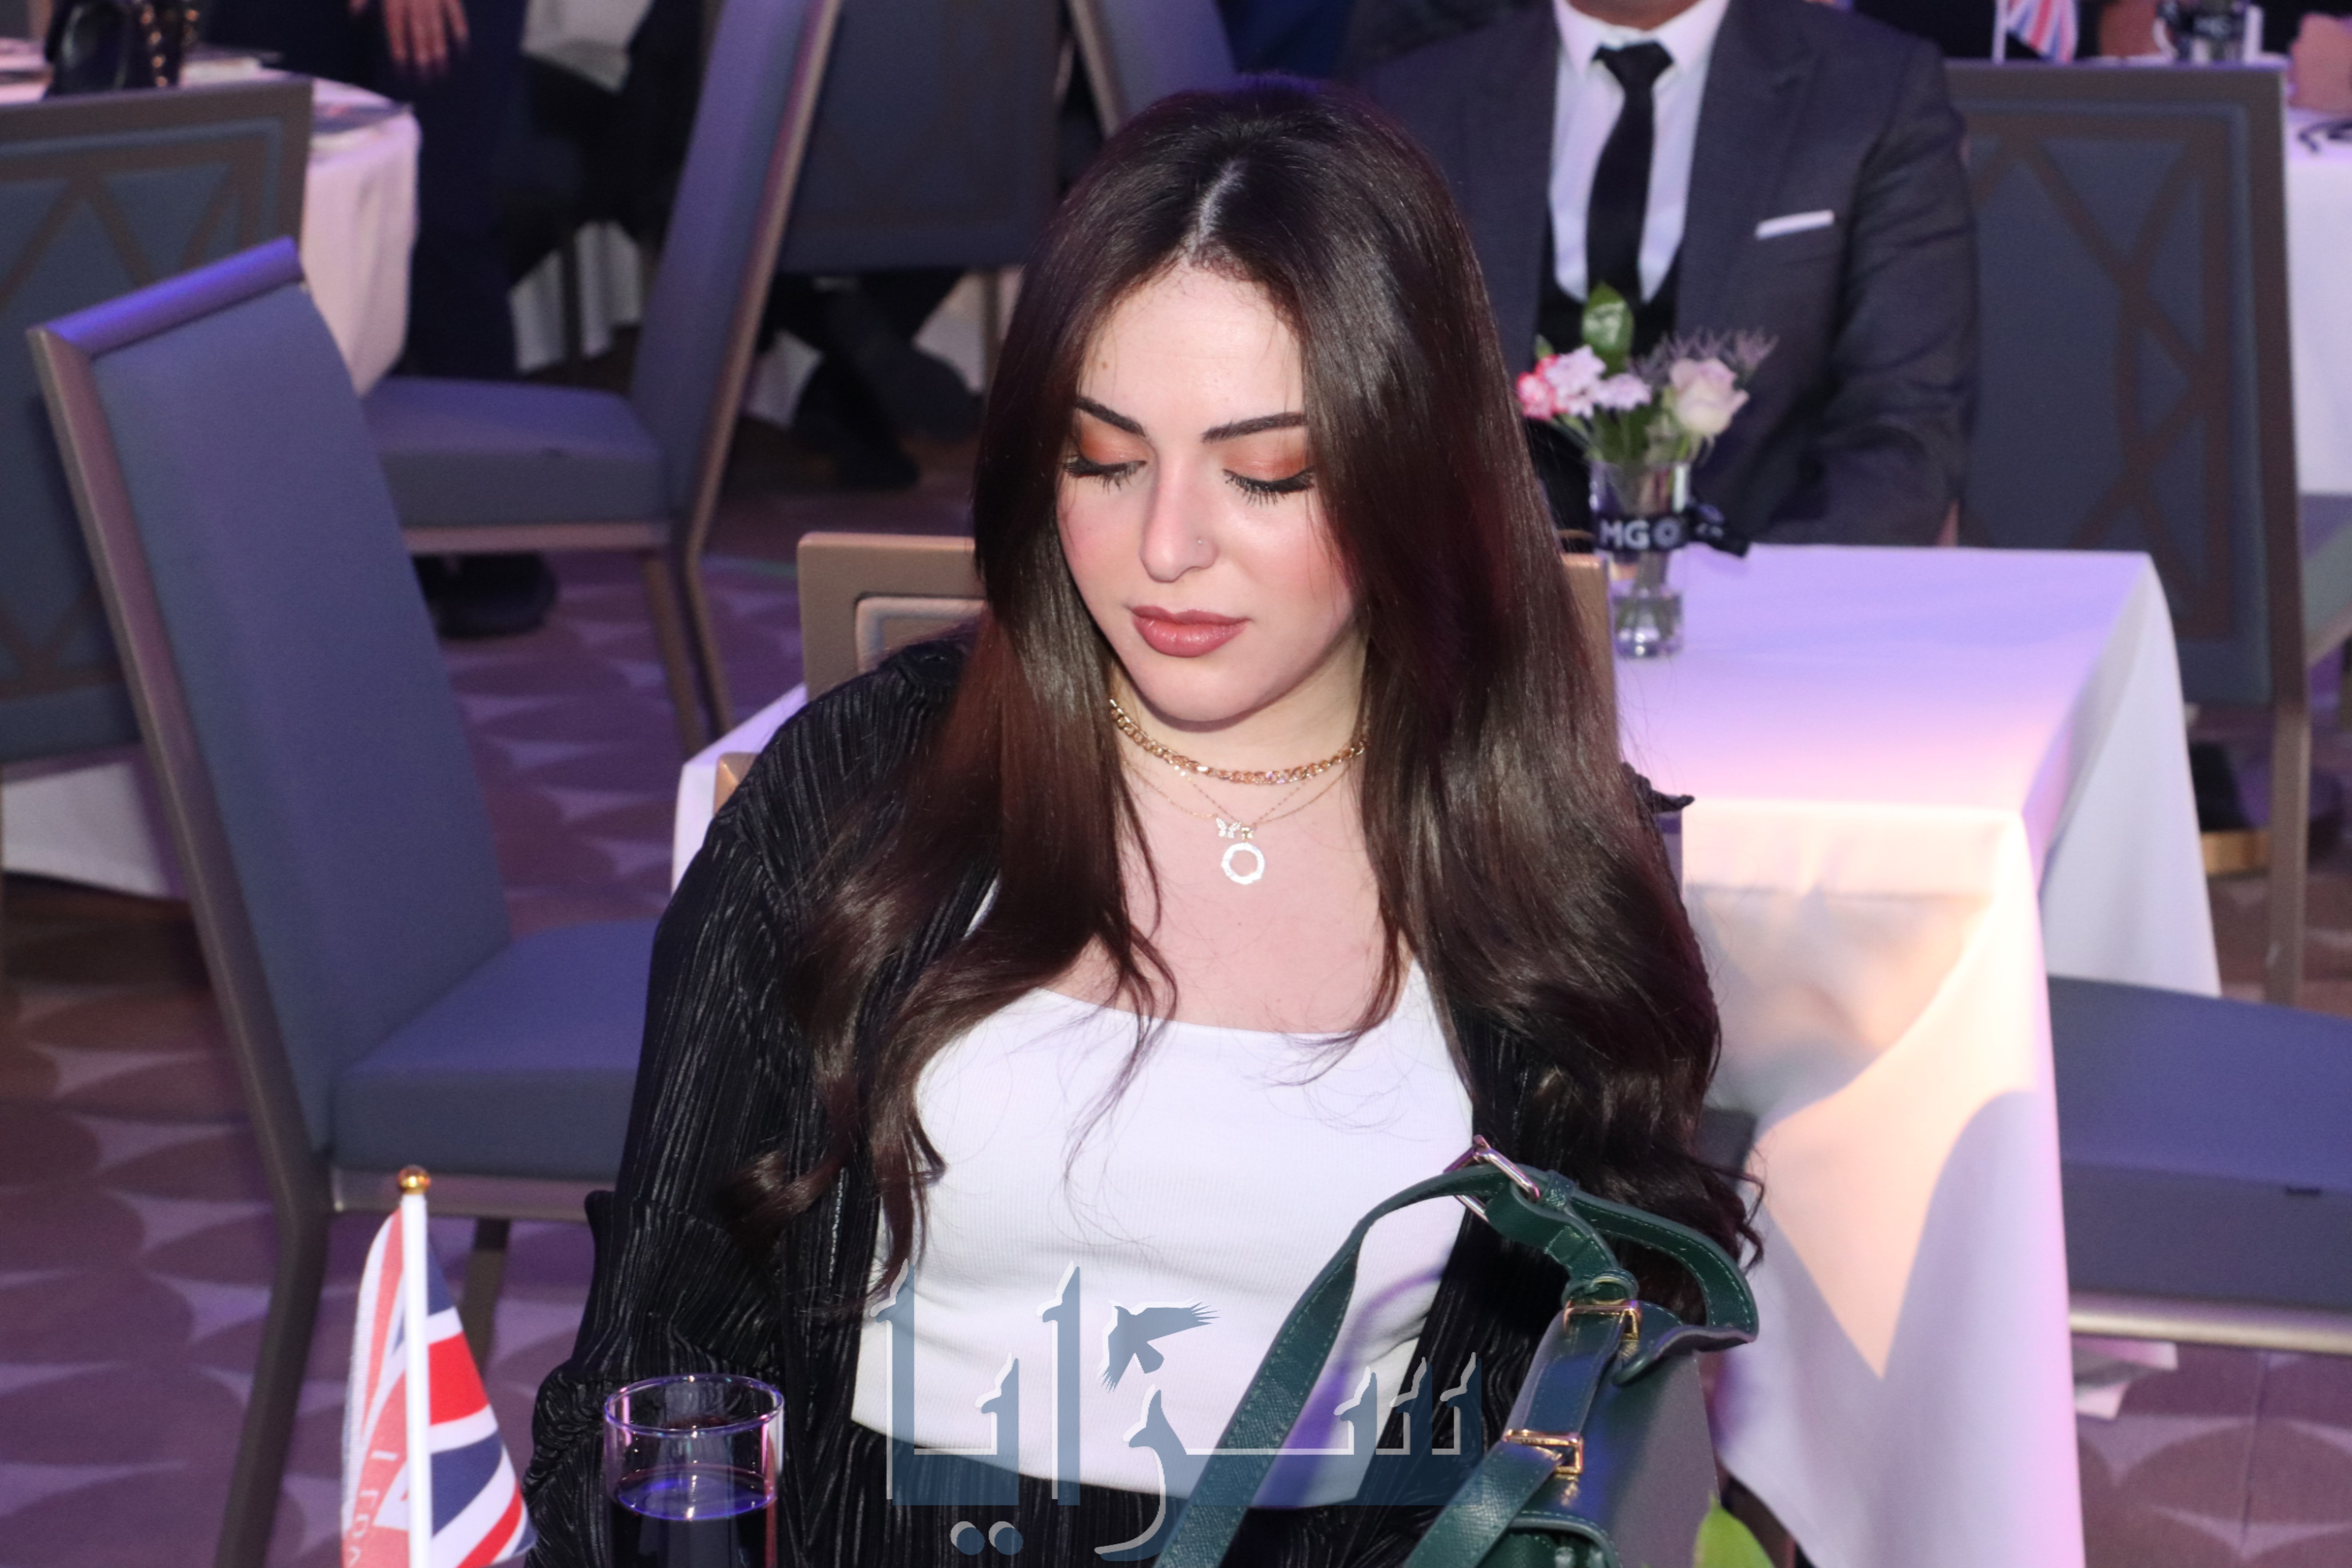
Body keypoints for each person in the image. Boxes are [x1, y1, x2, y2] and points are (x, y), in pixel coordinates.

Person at [524, 83, 1749, 1566]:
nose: (1166, 547)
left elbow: (1593, 1396)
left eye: (1269, 475)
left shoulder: (1527, 845)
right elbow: (662, 1352)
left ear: (1413, 469)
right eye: (1103, 459)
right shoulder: (862, 790)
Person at [1353, 0, 1977, 545]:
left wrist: (1756, 600)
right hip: (1483, 610)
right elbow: (1370, 415)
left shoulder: (1872, 89)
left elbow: (1904, 429)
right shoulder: (1413, 100)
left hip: (1769, 593)